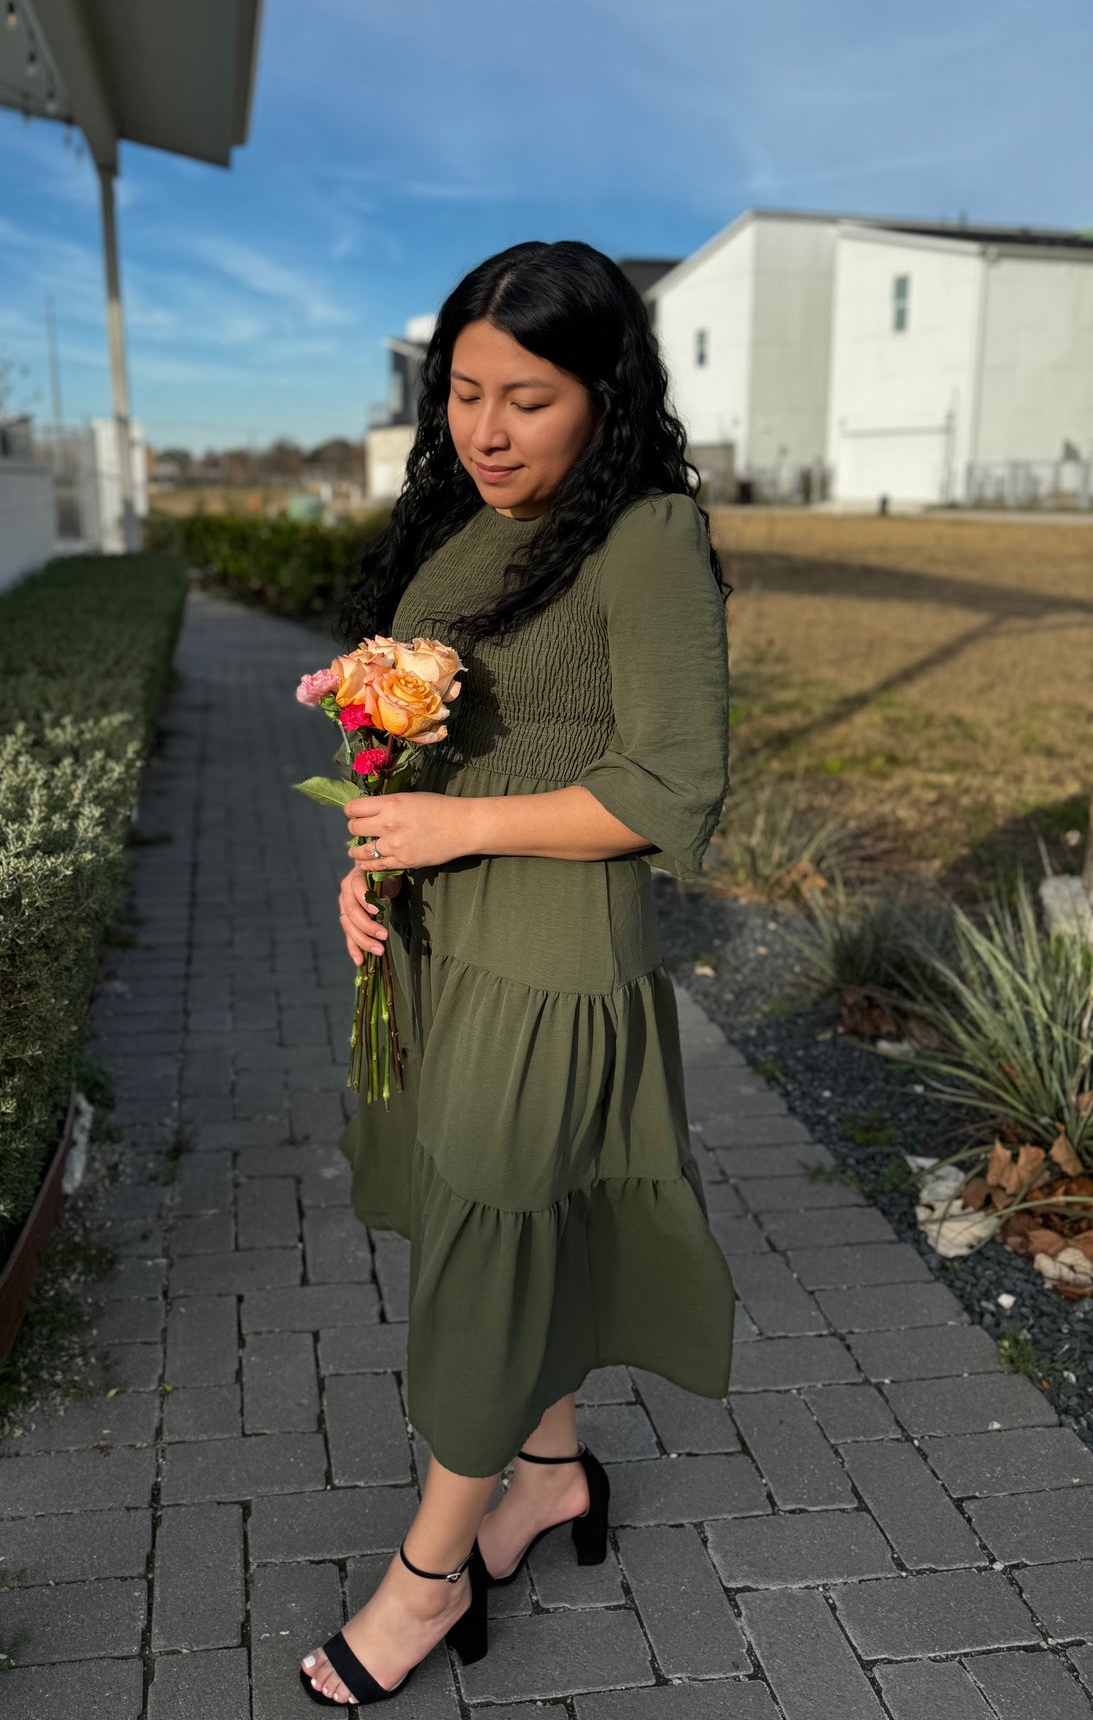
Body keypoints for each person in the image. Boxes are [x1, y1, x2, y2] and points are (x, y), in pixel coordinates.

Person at [298, 240, 735, 1707]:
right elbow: (414, 740)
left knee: (488, 1250)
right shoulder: (462, 527)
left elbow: (671, 786)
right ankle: (546, 1477)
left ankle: (424, 1580)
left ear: (603, 396)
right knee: (490, 1222)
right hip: (437, 944)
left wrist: (453, 826)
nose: (485, 431)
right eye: (463, 394)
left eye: (526, 399)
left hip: (553, 959)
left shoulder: (646, 536)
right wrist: (368, 864)